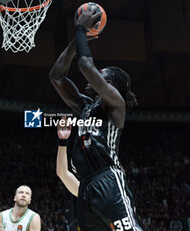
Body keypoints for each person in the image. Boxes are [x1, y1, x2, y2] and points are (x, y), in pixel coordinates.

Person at [49, 6, 142, 231]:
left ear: (110, 85)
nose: (95, 74)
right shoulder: (86, 108)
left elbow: (84, 64)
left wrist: (82, 29)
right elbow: (56, 76)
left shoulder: (115, 104)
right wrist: (78, 38)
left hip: (108, 181)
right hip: (85, 187)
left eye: (101, 74)